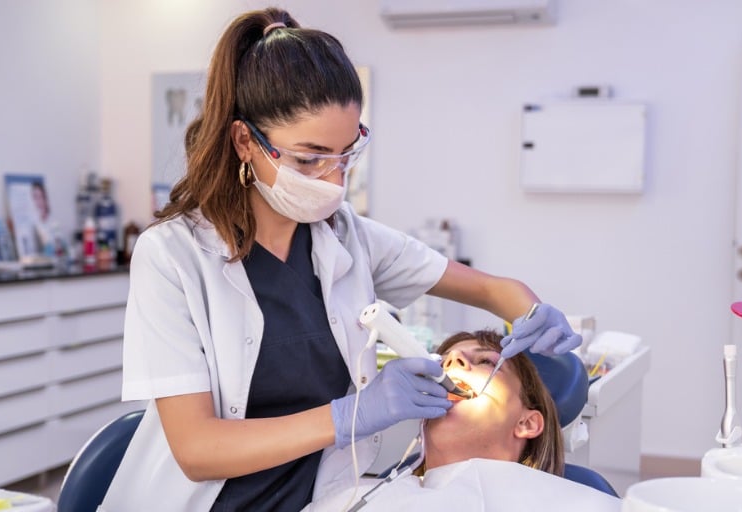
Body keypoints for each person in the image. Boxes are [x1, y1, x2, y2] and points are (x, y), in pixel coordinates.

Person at [100, 7, 582, 511]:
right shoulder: (172, 256)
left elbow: (489, 289)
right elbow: (198, 450)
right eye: (310, 158)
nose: (333, 181)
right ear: (247, 141)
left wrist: (528, 309)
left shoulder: (348, 239)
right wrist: (352, 415)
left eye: (346, 155)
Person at [304, 331, 620, 511]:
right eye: (443, 362)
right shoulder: (357, 500)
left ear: (527, 423)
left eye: (484, 361)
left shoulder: (576, 505)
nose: (453, 362)